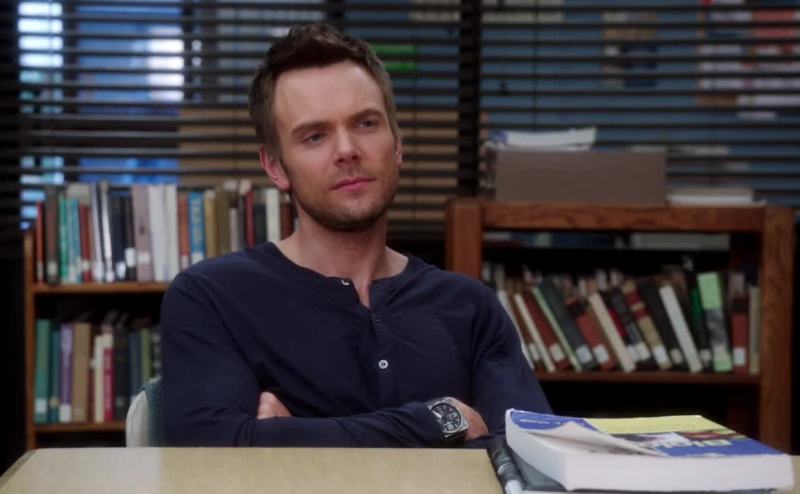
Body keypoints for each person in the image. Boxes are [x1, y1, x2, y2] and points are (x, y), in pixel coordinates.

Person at [161, 22, 550, 447]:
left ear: (397, 144)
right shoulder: (213, 297)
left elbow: (531, 457)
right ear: (275, 167)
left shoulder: (470, 307)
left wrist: (288, 438)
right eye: (315, 136)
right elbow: (211, 449)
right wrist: (440, 421)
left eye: (365, 124)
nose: (347, 150)